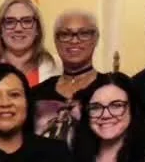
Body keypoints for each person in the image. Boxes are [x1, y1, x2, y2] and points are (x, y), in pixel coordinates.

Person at [30, 9, 103, 143]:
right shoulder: (37, 94)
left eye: (84, 33)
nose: (74, 40)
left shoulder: (111, 88)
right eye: (65, 34)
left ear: (96, 38)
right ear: (56, 41)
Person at [0, 0, 57, 86]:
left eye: (27, 21)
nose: (18, 29)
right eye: (10, 22)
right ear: (0, 29)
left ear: (37, 29)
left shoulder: (58, 67)